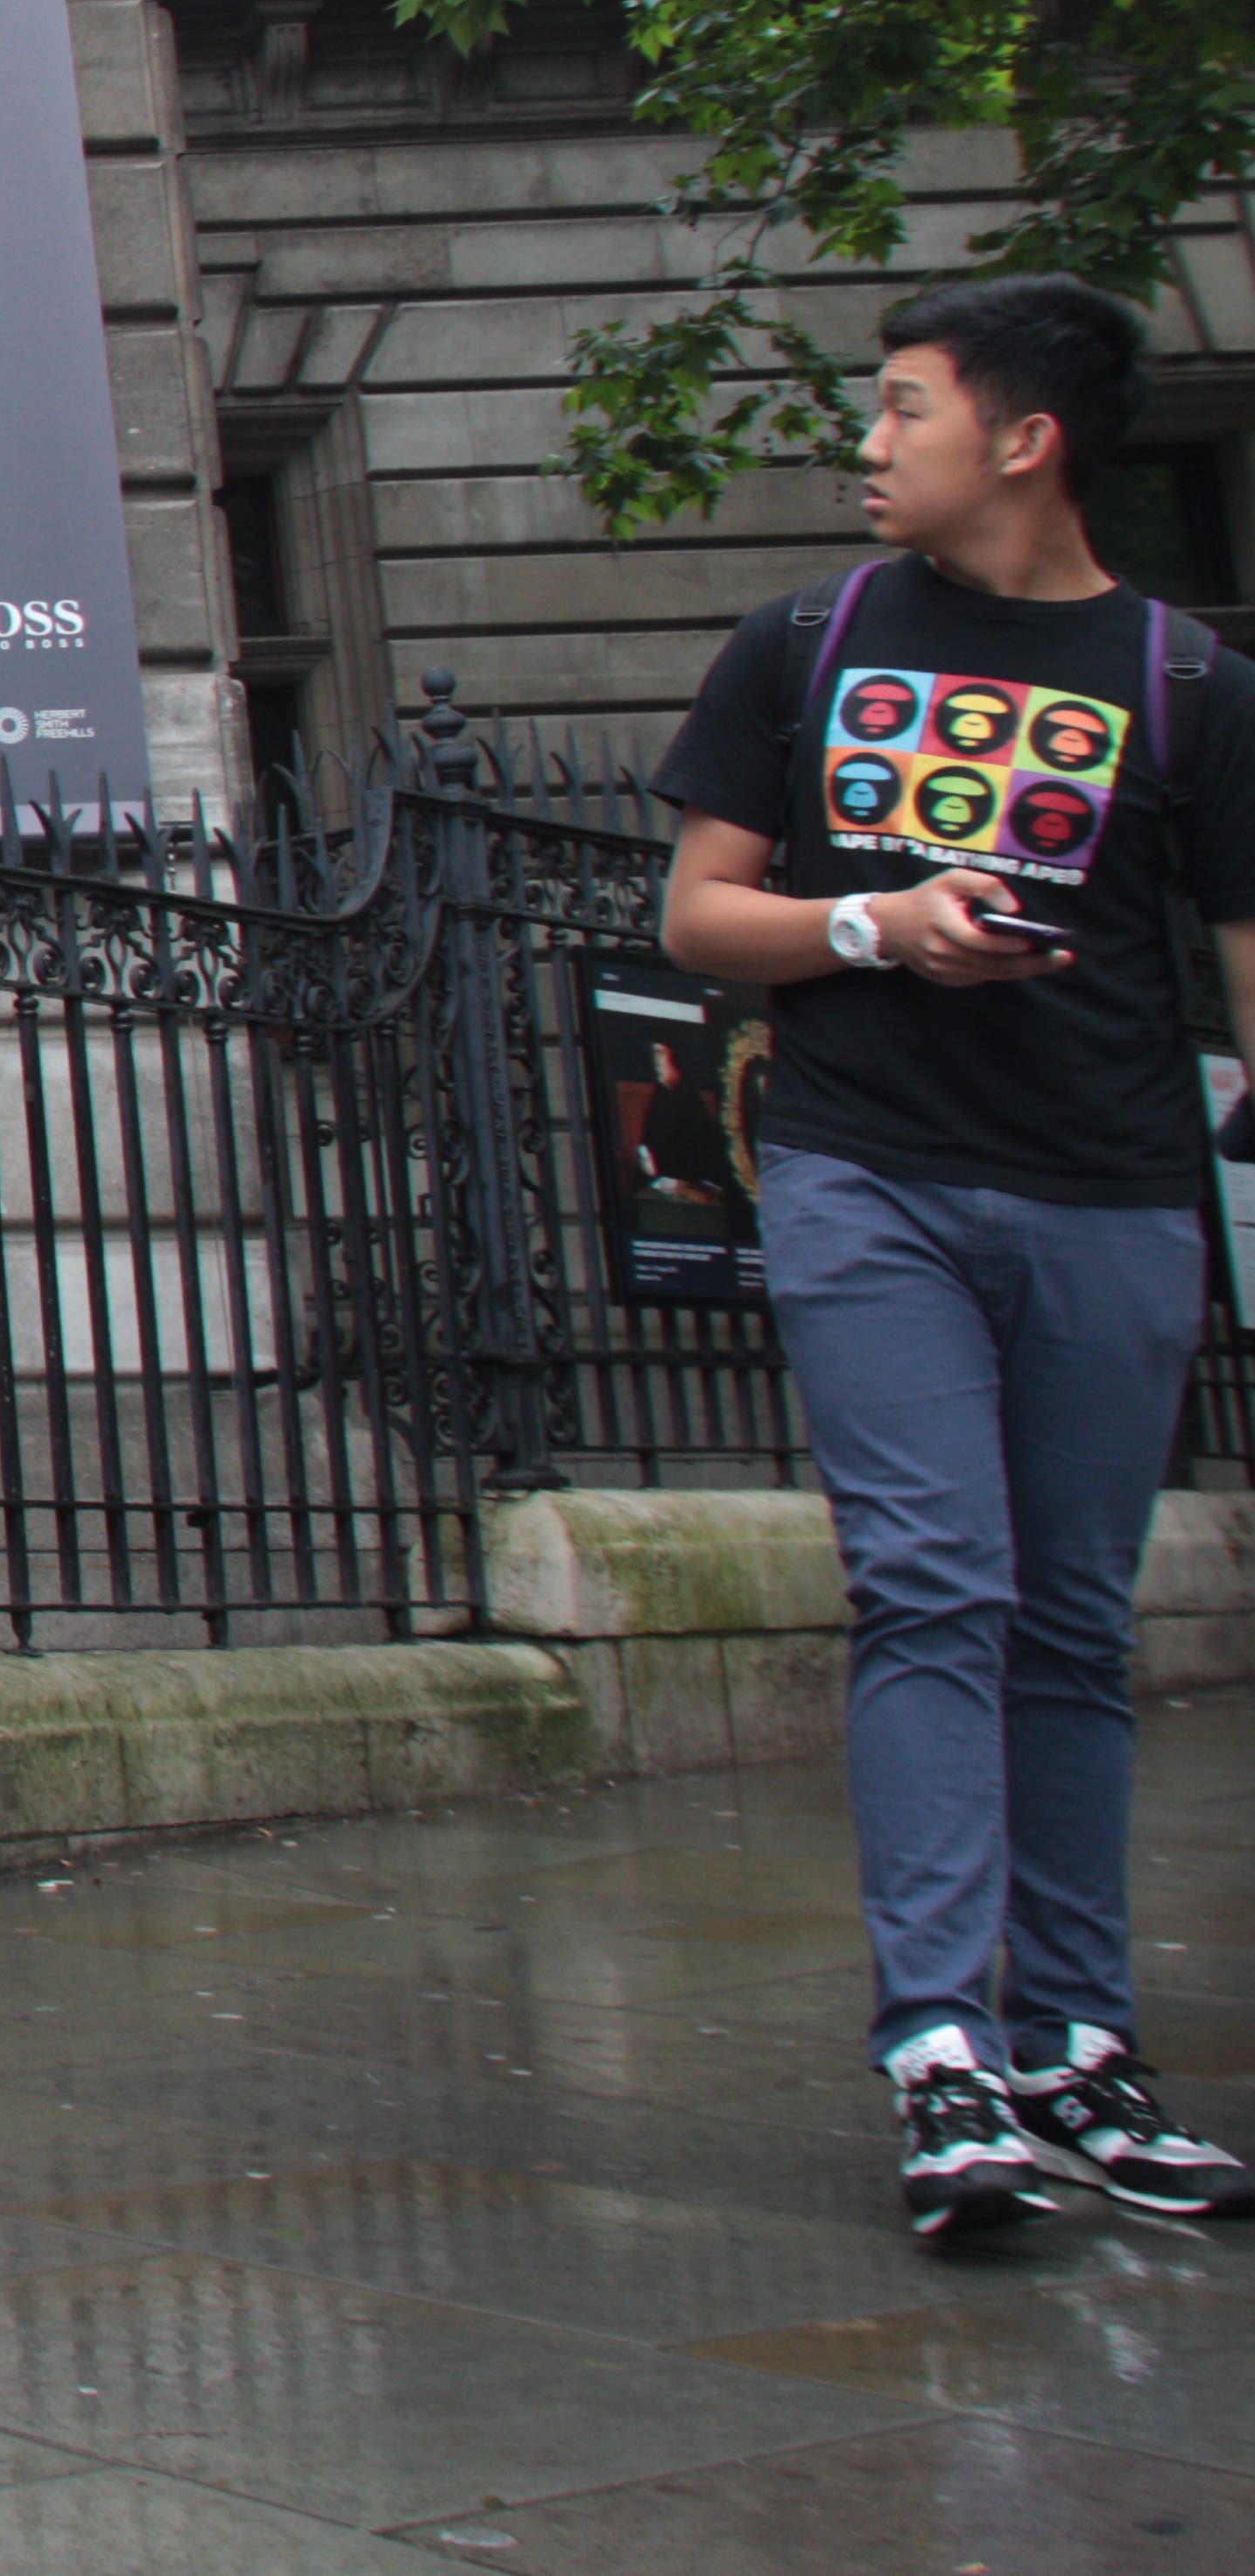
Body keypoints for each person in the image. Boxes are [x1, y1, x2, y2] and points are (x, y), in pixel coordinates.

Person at [650, 274, 1255, 2236]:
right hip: (867, 1175)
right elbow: (698, 918)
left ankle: (1080, 2039)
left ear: (1025, 435)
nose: (870, 435)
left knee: (1077, 1619)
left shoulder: (1189, 679)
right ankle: (942, 2048)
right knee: (933, 1586)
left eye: (904, 403)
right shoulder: (802, 641)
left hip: (1111, 1185)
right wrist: (879, 926)